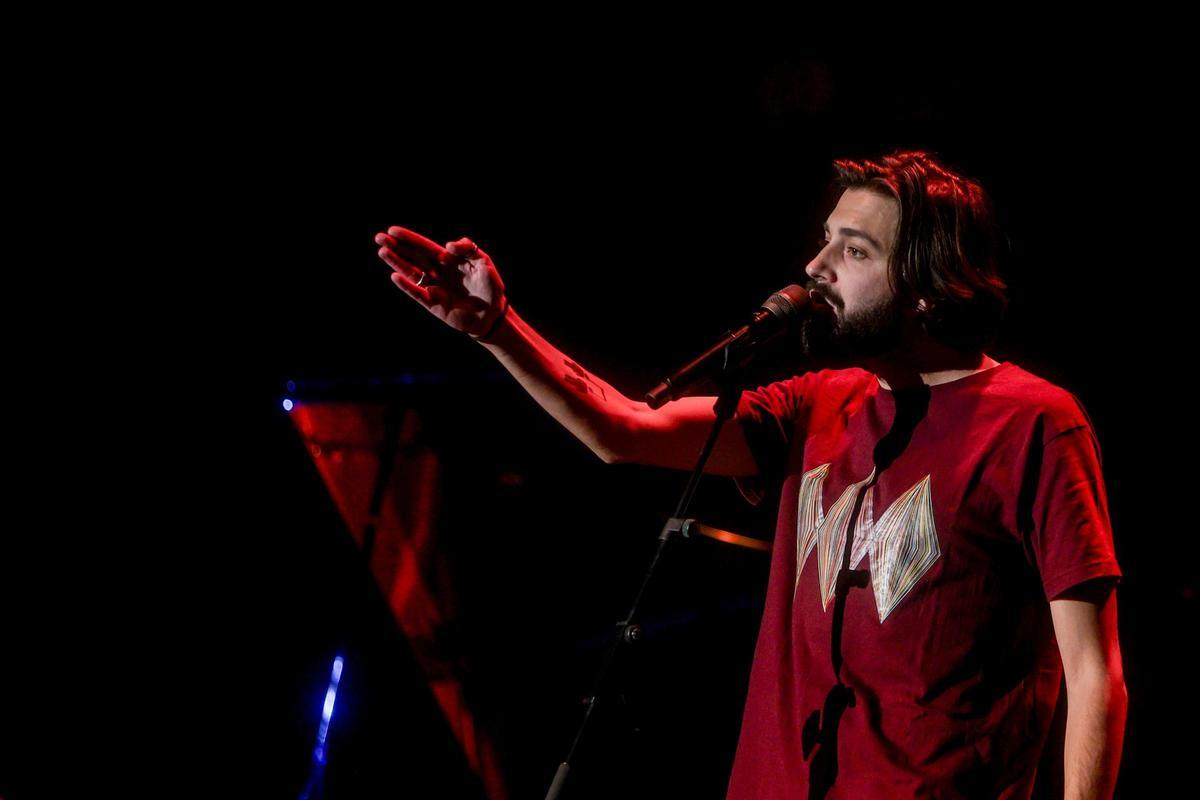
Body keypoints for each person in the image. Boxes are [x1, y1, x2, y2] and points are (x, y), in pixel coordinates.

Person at [374, 150, 1126, 799]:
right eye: (827, 239)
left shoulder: (1033, 423)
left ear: (927, 287)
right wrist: (497, 329)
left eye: (855, 251)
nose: (816, 267)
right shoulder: (818, 403)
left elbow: (1094, 676)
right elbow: (622, 429)